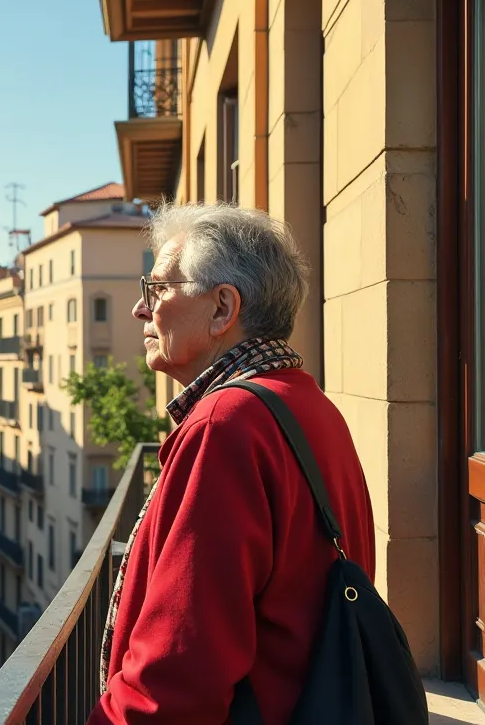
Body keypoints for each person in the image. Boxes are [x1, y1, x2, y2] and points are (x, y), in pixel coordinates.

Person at [89, 204, 376, 724]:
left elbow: (178, 673)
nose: (139, 309)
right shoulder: (309, 404)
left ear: (222, 308)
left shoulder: (227, 424)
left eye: (157, 289)